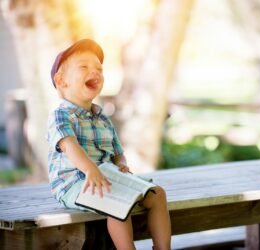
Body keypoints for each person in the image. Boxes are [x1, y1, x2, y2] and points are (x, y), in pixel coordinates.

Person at [46, 39, 171, 250]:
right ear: (61, 81)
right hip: (74, 183)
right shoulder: (60, 114)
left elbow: (117, 151)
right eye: (84, 67)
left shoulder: (101, 116)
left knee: (157, 194)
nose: (94, 72)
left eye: (99, 69)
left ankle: (163, 248)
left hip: (106, 176)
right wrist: (90, 169)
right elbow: (69, 145)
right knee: (117, 202)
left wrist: (121, 163)